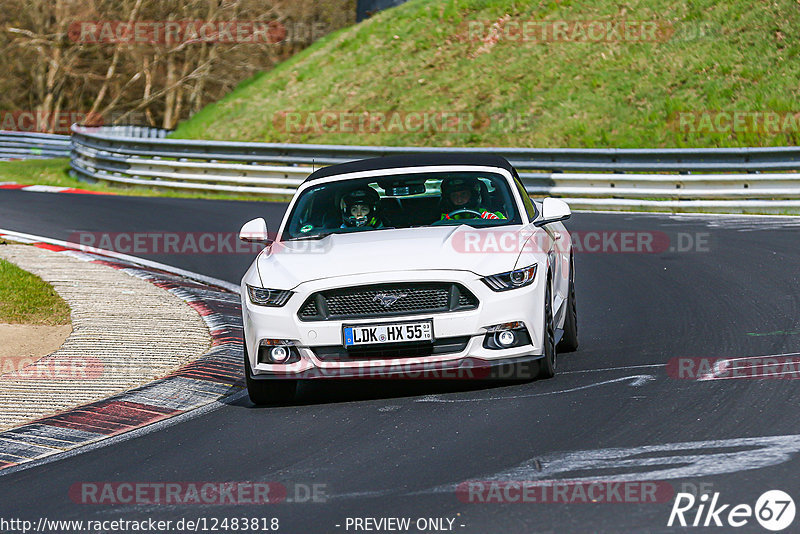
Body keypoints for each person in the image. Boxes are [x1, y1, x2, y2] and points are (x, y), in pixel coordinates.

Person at [439, 176, 506, 220]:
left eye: (463, 194)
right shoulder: (446, 218)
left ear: (473, 195)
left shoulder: (489, 215)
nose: (459, 199)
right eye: (454, 196)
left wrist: (494, 221)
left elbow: (506, 228)